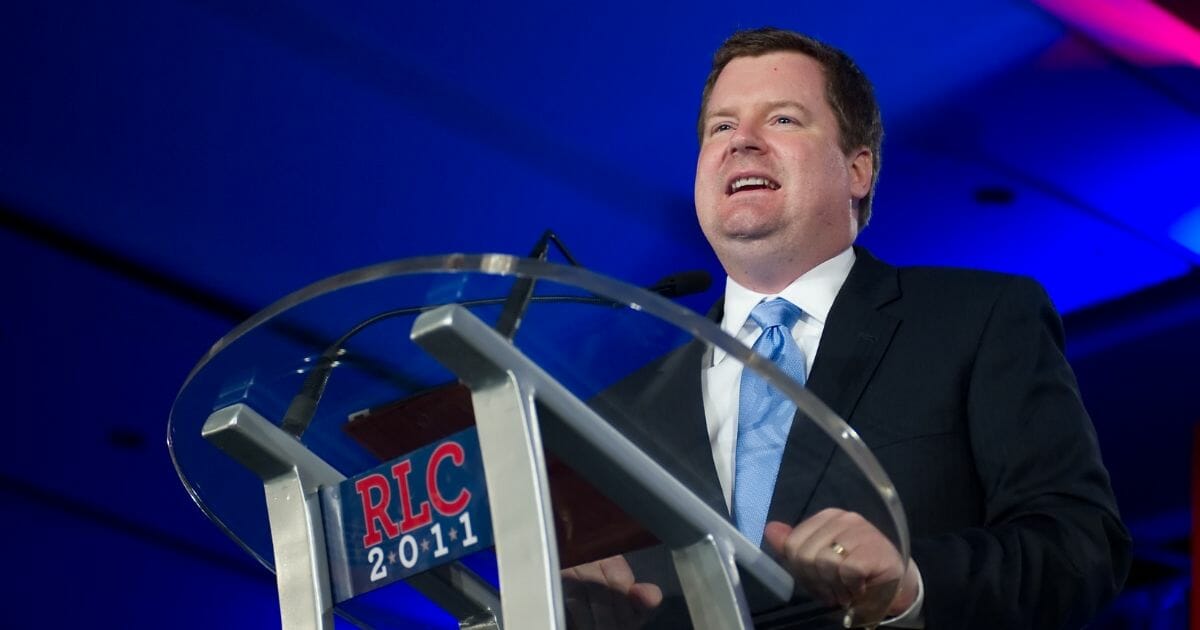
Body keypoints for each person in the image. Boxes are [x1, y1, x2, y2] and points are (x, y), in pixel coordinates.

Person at [565, 27, 1130, 628]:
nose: (742, 143)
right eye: (721, 127)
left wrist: (909, 583)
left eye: (781, 120)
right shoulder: (617, 414)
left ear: (858, 170)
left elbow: (1081, 546)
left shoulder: (979, 319)